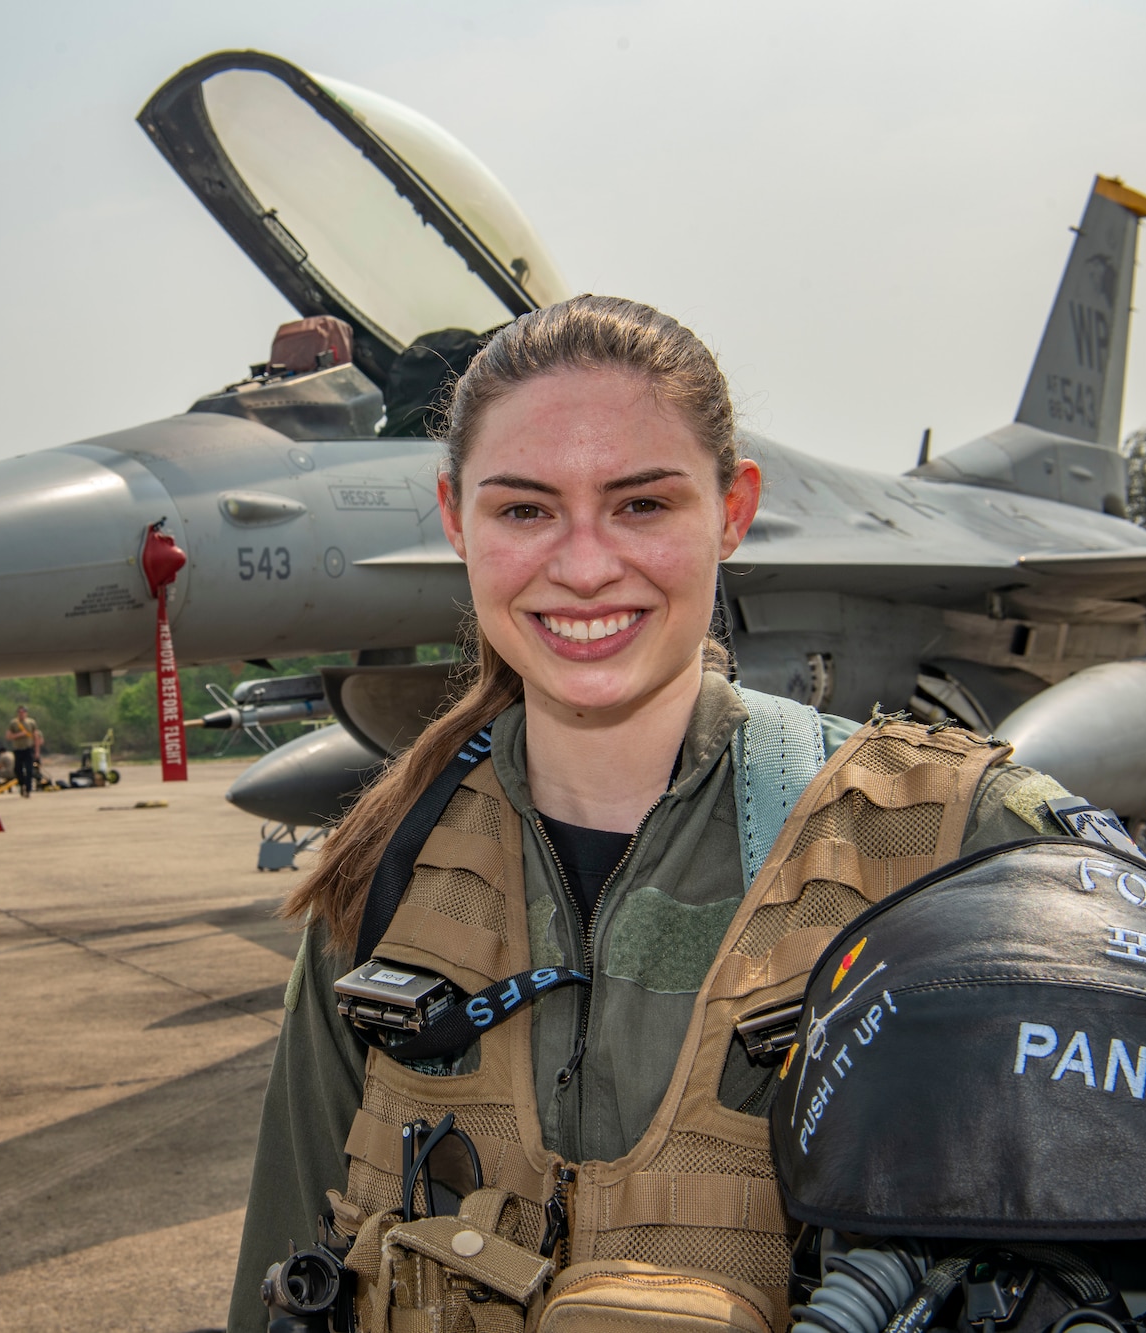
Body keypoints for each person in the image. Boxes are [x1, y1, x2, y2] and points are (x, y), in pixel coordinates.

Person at [227, 296, 1076, 1333]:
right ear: (455, 519)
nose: (583, 565)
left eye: (640, 505)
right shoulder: (386, 871)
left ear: (730, 507)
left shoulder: (949, 841)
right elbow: (284, 1273)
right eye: (523, 509)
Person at [4, 708, 42, 798]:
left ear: (26, 714)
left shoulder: (31, 723)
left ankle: (28, 789)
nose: (21, 715)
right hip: (18, 749)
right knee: (17, 769)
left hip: (28, 749)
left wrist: (37, 751)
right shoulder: (14, 723)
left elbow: (35, 737)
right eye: (20, 713)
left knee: (29, 770)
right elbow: (8, 736)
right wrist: (20, 734)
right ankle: (22, 784)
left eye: (23, 713)